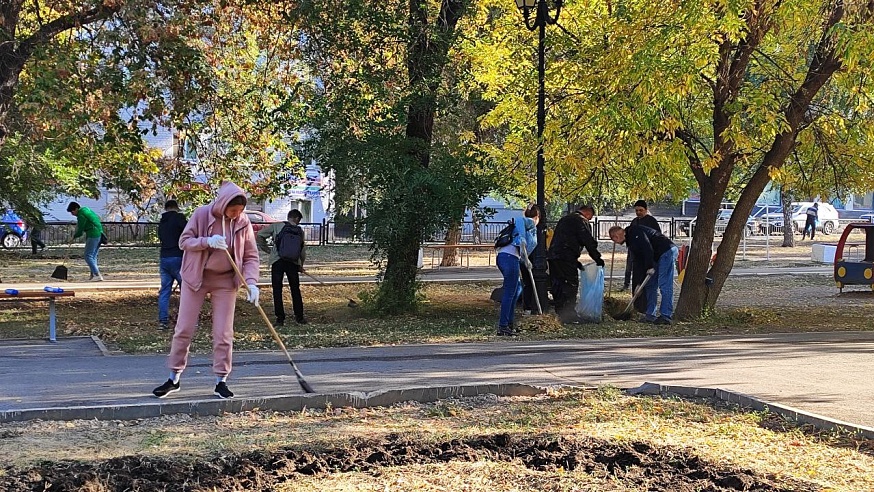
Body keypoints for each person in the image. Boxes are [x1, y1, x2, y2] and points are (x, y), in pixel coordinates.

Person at [152, 182, 260, 400]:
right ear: (223, 204)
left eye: (240, 211)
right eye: (232, 210)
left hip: (225, 281)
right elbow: (184, 241)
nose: (236, 215)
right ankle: (174, 378)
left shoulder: (243, 221)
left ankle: (221, 380)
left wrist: (251, 283)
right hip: (196, 278)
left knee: (223, 333)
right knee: (184, 328)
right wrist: (207, 241)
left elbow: (250, 256)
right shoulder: (202, 214)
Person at [609, 224, 678, 324]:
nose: (615, 241)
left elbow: (647, 248)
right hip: (655, 256)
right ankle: (650, 315)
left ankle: (666, 315)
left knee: (664, 284)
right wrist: (639, 283)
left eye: (614, 239)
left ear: (616, 236)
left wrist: (650, 266)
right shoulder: (630, 241)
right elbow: (639, 262)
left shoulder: (635, 231)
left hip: (666, 251)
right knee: (649, 285)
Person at [547, 205, 604, 323]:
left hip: (554, 257)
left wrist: (575, 261)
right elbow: (587, 240)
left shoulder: (564, 219)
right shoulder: (581, 221)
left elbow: (563, 240)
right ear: (588, 213)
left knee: (557, 283)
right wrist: (597, 258)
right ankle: (569, 315)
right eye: (590, 218)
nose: (589, 220)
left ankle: (560, 311)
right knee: (570, 284)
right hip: (566, 257)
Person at [257, 209, 308, 326]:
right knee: (295, 289)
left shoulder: (276, 226)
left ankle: (280, 318)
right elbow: (302, 250)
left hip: (277, 261)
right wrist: (301, 265)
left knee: (277, 289)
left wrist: (268, 250)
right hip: (293, 263)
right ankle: (299, 317)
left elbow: (260, 235)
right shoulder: (299, 231)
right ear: (296, 219)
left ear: (289, 217)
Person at [495, 205, 539, 336]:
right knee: (510, 292)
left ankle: (509, 323)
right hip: (509, 258)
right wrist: (522, 238)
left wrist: (526, 262)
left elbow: (523, 252)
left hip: (506, 257)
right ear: (537, 217)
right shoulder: (530, 222)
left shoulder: (530, 230)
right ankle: (503, 326)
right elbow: (519, 221)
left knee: (517, 288)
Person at [157, 200, 187, 330]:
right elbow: (189, 233)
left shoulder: (162, 221)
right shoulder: (179, 218)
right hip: (178, 257)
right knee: (186, 290)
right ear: (176, 207)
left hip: (164, 257)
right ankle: (187, 320)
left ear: (166, 208)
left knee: (165, 291)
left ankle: (163, 321)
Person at [621, 200, 660, 292]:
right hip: (634, 249)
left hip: (645, 251)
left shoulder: (651, 221)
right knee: (629, 267)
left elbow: (656, 236)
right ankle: (627, 284)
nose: (638, 212)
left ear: (646, 210)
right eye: (636, 210)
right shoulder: (634, 221)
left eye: (640, 210)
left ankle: (643, 287)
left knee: (643, 270)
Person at [67, 202, 104, 281]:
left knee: (88, 256)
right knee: (93, 256)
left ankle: (97, 275)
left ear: (76, 209)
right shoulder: (87, 210)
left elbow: (80, 229)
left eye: (72, 211)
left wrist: (74, 236)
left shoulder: (81, 215)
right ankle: (93, 275)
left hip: (93, 234)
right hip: (99, 233)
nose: (72, 214)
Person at [519, 205, 541, 314]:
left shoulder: (527, 225)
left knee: (526, 283)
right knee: (528, 283)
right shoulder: (530, 224)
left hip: (524, 258)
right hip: (525, 258)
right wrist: (526, 259)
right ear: (537, 216)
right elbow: (530, 243)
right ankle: (528, 307)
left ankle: (528, 307)